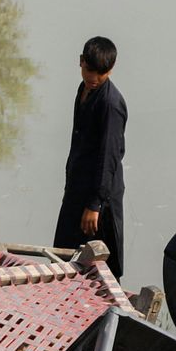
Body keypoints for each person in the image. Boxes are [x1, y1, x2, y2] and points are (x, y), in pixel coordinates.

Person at [55, 35, 127, 279]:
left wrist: (94, 204)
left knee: (102, 265)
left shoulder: (110, 104)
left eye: (101, 74)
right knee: (64, 255)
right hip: (78, 187)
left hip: (100, 198)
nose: (94, 79)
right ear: (81, 62)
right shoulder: (84, 89)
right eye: (90, 71)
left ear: (111, 70)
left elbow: (110, 156)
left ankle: (108, 313)